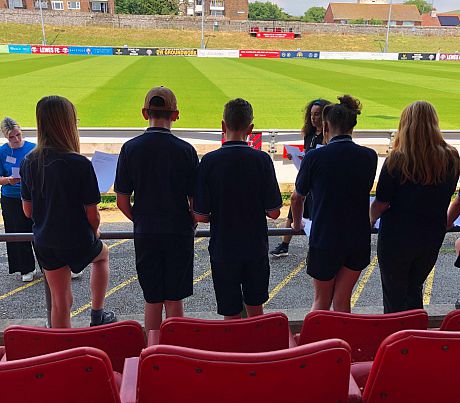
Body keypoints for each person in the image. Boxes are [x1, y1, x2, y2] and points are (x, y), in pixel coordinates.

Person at [20, 96, 116, 328]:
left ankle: (63, 355)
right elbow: (93, 215)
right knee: (102, 255)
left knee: (61, 302)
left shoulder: (28, 162)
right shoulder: (80, 163)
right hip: (76, 239)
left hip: (46, 241)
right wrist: (94, 232)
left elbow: (28, 211)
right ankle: (97, 313)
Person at [115, 86, 198, 332]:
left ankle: (150, 355)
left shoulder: (130, 148)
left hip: (146, 231)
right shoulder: (186, 151)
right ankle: (176, 354)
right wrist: (189, 222)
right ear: (175, 114)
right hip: (179, 232)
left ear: (144, 113)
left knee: (152, 299)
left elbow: (121, 202)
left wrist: (141, 221)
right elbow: (196, 205)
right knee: (175, 299)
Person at [193, 98, 282, 320]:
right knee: (256, 309)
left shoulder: (209, 162)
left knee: (230, 312)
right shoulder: (262, 160)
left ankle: (232, 353)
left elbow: (201, 215)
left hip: (223, 247)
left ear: (223, 126)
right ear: (251, 129)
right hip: (255, 247)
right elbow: (274, 212)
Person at [371, 101, 460, 313]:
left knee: (394, 296)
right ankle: (415, 339)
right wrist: (446, 222)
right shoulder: (452, 157)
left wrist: (368, 220)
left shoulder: (397, 159)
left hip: (396, 236)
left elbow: (381, 203)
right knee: (414, 289)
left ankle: (397, 342)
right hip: (431, 233)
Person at [292, 95, 377, 312]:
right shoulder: (369, 156)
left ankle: (319, 345)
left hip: (325, 236)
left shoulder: (314, 157)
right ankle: (342, 344)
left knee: (321, 301)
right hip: (357, 237)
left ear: (327, 126)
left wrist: (296, 224)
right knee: (342, 300)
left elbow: (297, 197)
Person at [270, 99, 331, 257]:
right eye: (311, 114)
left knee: (315, 216)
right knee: (293, 212)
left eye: (317, 114)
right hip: (305, 178)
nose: (313, 118)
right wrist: (296, 156)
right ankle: (284, 245)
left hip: (319, 182)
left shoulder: (327, 136)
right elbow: (308, 155)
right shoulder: (309, 134)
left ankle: (314, 248)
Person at [0, 118, 37, 282]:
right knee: (17, 231)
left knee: (39, 229)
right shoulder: (2, 152)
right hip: (11, 196)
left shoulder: (33, 148)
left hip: (33, 195)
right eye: (12, 137)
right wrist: (9, 180)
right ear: (6, 137)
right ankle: (26, 268)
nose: (16, 140)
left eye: (18, 135)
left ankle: (47, 264)